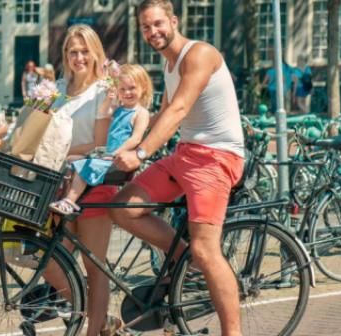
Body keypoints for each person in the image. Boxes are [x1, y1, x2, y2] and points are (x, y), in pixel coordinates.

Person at [110, 1, 245, 335]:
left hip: (216, 158)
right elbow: (160, 115)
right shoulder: (169, 65)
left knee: (206, 249)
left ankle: (233, 332)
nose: (152, 32)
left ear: (173, 20)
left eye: (157, 24)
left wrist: (140, 154)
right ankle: (185, 262)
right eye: (145, 27)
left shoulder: (199, 55)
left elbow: (179, 110)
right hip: (185, 155)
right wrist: (119, 148)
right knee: (123, 208)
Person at [39, 24, 119, 336]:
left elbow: (100, 144)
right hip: (59, 184)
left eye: (85, 51)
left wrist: (59, 152)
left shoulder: (103, 91)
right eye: (72, 52)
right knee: (46, 260)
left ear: (96, 53)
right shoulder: (57, 90)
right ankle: (98, 317)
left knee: (93, 266)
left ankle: (94, 328)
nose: (78, 57)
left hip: (94, 183)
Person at [49, 64, 151, 215]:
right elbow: (104, 112)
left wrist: (116, 153)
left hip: (117, 159)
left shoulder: (140, 113)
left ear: (143, 87)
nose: (127, 93)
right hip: (106, 154)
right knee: (71, 160)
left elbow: (136, 139)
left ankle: (70, 202)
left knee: (83, 165)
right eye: (122, 89)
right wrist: (108, 99)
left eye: (132, 88)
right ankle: (67, 194)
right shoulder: (119, 109)